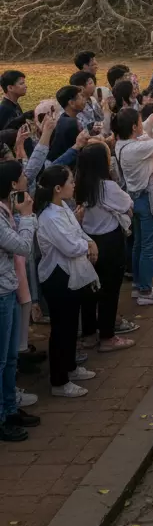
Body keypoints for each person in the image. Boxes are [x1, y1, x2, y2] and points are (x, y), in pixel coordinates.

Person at [35, 165, 98, 398]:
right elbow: (71, 246)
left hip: (70, 275)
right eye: (70, 182)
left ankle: (70, 367)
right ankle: (59, 381)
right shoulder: (49, 216)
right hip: (57, 277)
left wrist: (88, 241)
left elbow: (78, 234)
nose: (74, 185)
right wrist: (88, 245)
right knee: (62, 329)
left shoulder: (62, 208)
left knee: (71, 325)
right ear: (58, 188)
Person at [112, 100, 153, 306]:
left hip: (136, 200)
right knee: (149, 247)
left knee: (140, 245)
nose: (142, 124)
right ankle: (146, 292)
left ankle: (140, 286)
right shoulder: (137, 149)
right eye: (139, 121)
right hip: (148, 201)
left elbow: (144, 130)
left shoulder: (122, 144)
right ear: (133, 126)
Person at [75, 144, 135, 353]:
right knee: (110, 290)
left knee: (91, 291)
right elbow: (128, 204)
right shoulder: (107, 187)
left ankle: (90, 334)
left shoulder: (79, 185)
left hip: (89, 241)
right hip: (109, 241)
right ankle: (108, 336)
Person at [0, 160, 39, 439]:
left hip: (9, 289)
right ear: (13, 185)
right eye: (23, 176)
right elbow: (23, 247)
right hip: (1, 293)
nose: (27, 178)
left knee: (11, 357)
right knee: (2, 360)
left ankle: (10, 408)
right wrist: (27, 217)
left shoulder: (5, 210)